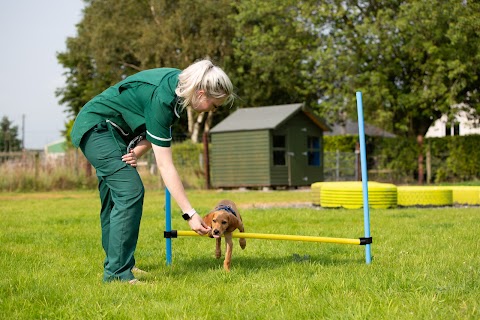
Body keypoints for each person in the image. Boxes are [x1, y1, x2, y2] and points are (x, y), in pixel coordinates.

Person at [70, 59, 235, 284]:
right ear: (201, 92)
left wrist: (136, 152)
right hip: (96, 127)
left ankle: (121, 264)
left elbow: (155, 129)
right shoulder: (165, 97)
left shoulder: (178, 90)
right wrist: (190, 213)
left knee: (114, 197)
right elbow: (165, 165)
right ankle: (117, 274)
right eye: (214, 105)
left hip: (117, 134)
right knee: (129, 191)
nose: (213, 110)